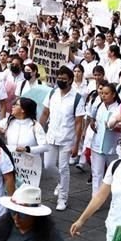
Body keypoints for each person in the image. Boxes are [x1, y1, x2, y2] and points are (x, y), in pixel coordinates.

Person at [39, 66, 86, 211]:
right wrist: (38, 130)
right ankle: (60, 183)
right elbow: (45, 113)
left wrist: (76, 145)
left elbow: (79, 123)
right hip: (51, 136)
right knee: (48, 165)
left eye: (64, 79)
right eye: (59, 78)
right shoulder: (52, 93)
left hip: (67, 138)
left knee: (63, 168)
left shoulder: (77, 98)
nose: (60, 81)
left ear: (71, 80)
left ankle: (63, 198)